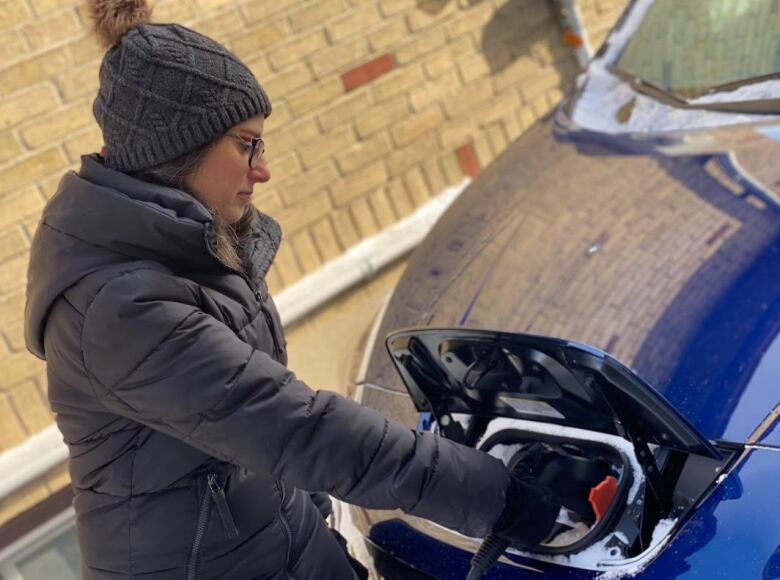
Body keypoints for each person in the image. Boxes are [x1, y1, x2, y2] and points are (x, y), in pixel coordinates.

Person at [23, 1, 573, 578]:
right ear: (177, 149)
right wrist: (499, 497)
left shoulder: (186, 256)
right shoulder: (116, 308)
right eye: (247, 144)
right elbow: (300, 429)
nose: (263, 169)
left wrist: (326, 547)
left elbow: (266, 443)